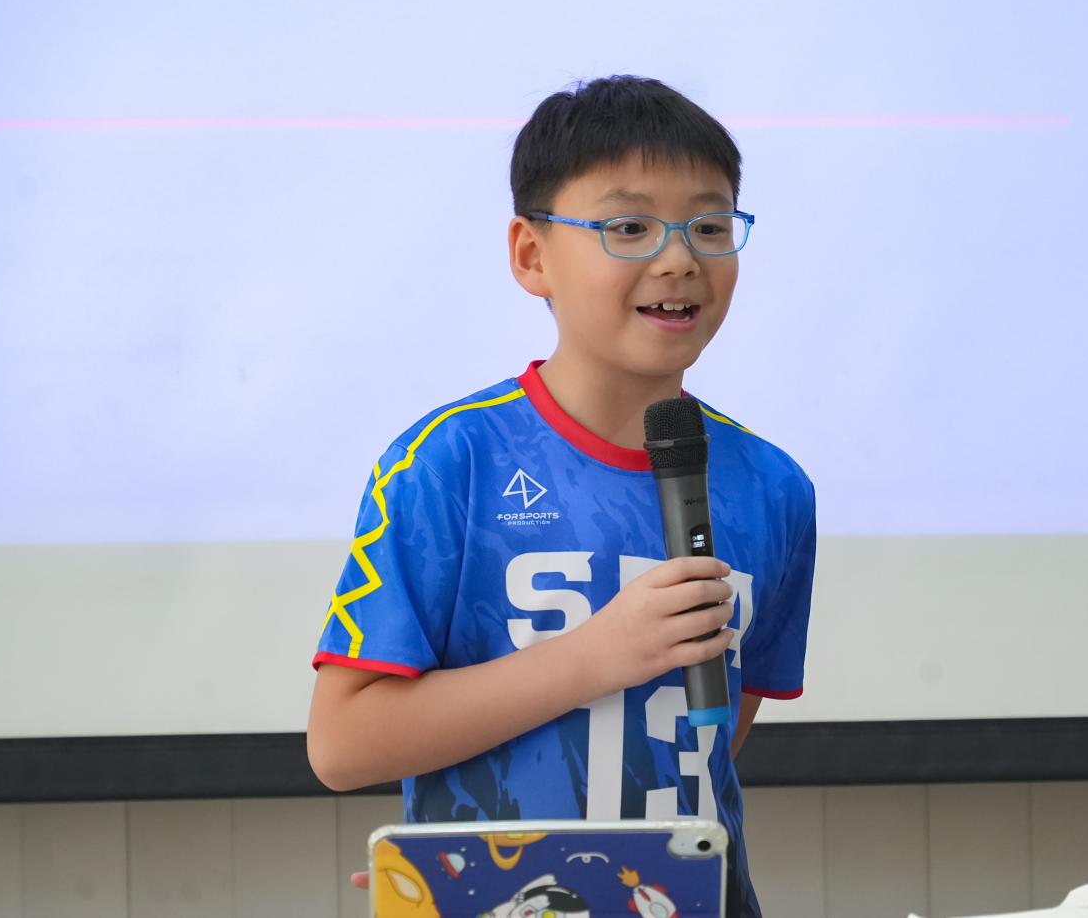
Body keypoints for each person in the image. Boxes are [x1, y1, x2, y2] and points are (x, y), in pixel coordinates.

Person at [306, 75, 818, 918]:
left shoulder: (774, 487)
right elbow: (342, 742)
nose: (679, 259)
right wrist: (593, 657)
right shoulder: (449, 462)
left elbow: (712, 743)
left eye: (710, 226)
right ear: (531, 254)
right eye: (629, 227)